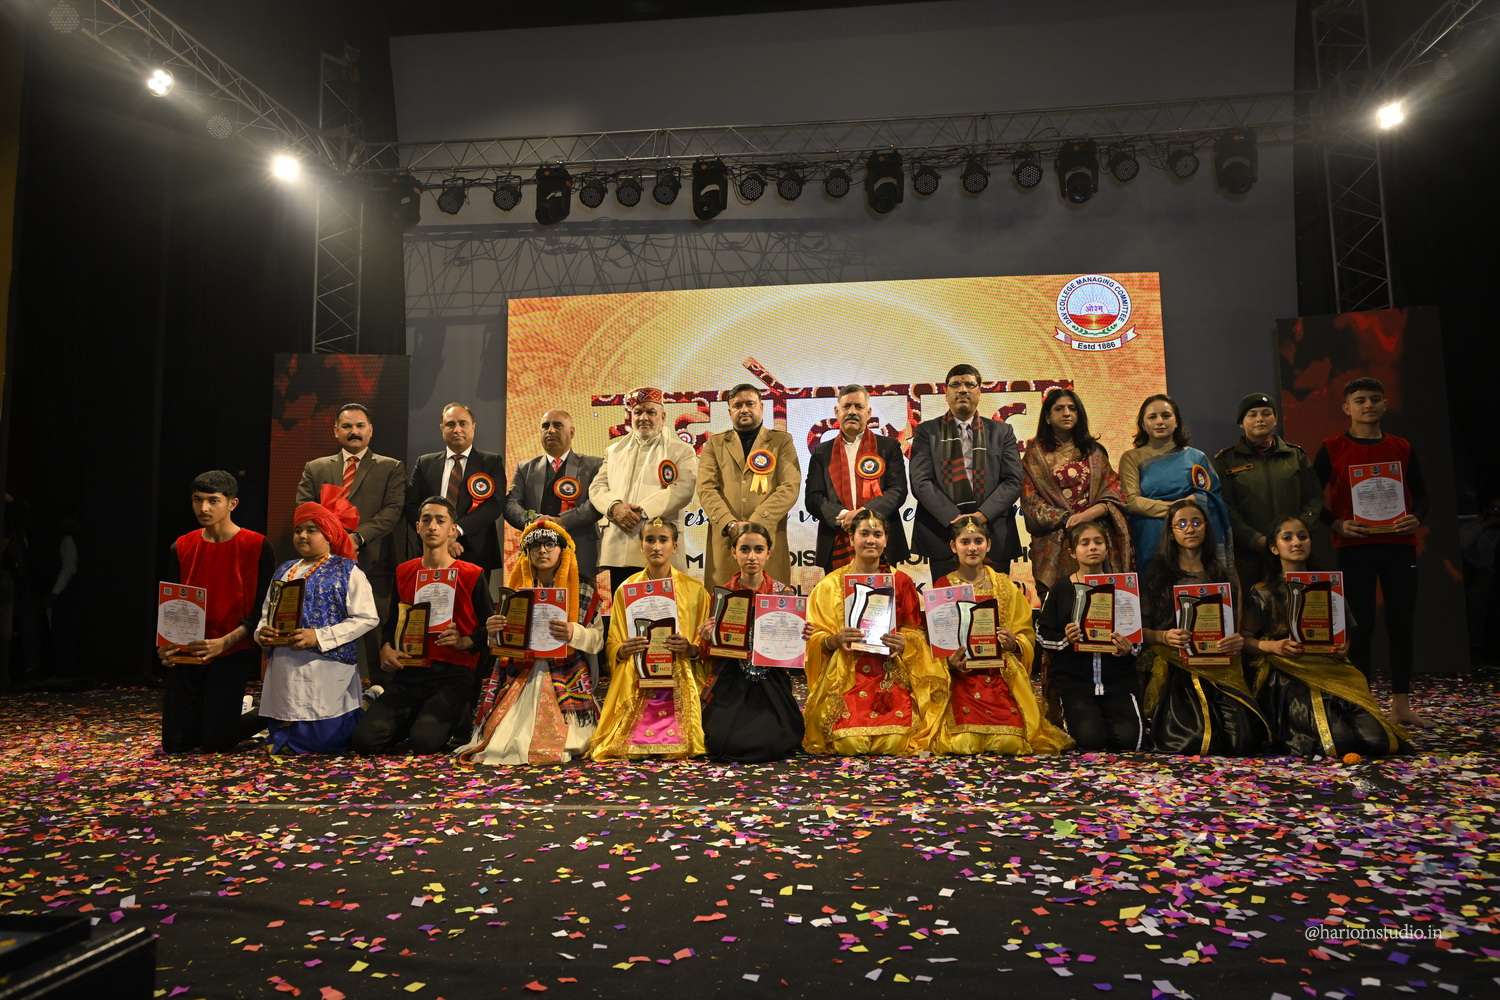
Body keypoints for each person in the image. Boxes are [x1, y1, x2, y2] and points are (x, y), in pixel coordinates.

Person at [1313, 376, 1429, 728]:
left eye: (1375, 399)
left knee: (1401, 621)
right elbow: (1309, 499)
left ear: (1385, 404)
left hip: (1399, 546)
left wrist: (1417, 517)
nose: (1368, 405)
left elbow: (1422, 494)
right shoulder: (1331, 447)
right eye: (1360, 400)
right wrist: (1336, 524)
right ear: (1346, 407)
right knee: (1361, 626)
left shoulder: (1401, 447)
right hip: (1354, 548)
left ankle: (1401, 704)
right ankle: (1365, 704)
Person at [1242, 516, 1408, 757]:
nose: (1296, 542)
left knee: (1379, 741)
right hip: (1289, 675)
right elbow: (1245, 640)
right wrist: (1273, 646)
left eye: (1303, 536)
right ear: (1274, 548)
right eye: (1287, 537)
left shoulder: (1329, 585)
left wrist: (1343, 646)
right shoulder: (1262, 592)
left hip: (1331, 668)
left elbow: (1343, 633)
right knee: (1338, 741)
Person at [352, 497, 493, 754]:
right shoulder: (404, 571)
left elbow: (490, 628)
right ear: (417, 527)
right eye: (426, 520)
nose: (432, 526)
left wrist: (465, 641)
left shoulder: (472, 574)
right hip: (410, 672)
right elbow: (392, 622)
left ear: (452, 529)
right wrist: (385, 648)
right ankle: (406, 716)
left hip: (453, 673)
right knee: (365, 741)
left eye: (440, 520)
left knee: (424, 743)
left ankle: (448, 717)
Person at [459, 518, 605, 765]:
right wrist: (494, 632)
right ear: (527, 552)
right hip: (522, 670)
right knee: (501, 742)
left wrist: (573, 632)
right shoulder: (515, 591)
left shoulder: (584, 590)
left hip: (566, 668)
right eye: (535, 546)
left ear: (563, 550)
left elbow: (597, 640)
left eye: (549, 544)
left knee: (574, 740)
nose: (542, 551)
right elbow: (500, 646)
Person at [801, 509, 946, 755]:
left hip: (889, 669)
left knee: (894, 741)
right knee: (848, 743)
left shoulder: (901, 582)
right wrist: (834, 639)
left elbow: (916, 632)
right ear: (851, 539)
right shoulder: (830, 585)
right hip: (846, 672)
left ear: (886, 540)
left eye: (877, 534)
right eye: (864, 534)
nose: (871, 540)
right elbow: (814, 636)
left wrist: (903, 642)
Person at [1138, 498, 1270, 755]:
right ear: (1171, 533)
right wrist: (1163, 636)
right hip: (1177, 664)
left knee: (1241, 742)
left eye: (1196, 522)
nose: (1190, 529)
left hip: (1220, 663)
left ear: (1207, 528)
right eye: (1182, 524)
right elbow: (1139, 632)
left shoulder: (1222, 573)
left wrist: (1236, 640)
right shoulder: (1157, 573)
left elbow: (1237, 631)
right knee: (1195, 740)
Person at [930, 515, 1071, 755]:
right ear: (953, 546)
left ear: (988, 545)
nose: (972, 548)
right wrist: (949, 663)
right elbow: (935, 642)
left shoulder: (1004, 585)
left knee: (1010, 742)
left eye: (978, 541)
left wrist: (1014, 643)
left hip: (999, 671)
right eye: (965, 542)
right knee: (962, 742)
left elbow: (1025, 633)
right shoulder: (943, 587)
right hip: (959, 675)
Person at [160, 471, 276, 754]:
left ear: (232, 503)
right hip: (191, 650)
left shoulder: (256, 545)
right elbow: (171, 606)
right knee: (176, 744)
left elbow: (262, 608)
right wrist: (167, 645)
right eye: (197, 500)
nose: (204, 508)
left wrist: (224, 642)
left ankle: (268, 713)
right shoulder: (182, 546)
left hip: (232, 649)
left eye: (213, 501)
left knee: (216, 743)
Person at [256, 501, 379, 754]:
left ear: (329, 534)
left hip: (327, 664)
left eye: (311, 530)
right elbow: (267, 613)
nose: (302, 535)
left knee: (326, 741)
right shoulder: (284, 570)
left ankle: (368, 701)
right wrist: (262, 633)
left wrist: (319, 637)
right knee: (284, 729)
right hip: (285, 663)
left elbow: (367, 618)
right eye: (298, 530)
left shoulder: (347, 570)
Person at [296, 404, 406, 678]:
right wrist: (328, 537)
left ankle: (375, 688)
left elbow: (393, 510)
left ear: (370, 430)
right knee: (326, 622)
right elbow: (304, 508)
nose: (353, 431)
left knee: (372, 626)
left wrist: (357, 538)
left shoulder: (391, 467)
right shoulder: (315, 468)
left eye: (359, 426)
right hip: (323, 562)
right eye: (346, 426)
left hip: (372, 560)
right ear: (336, 431)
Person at [591, 516, 711, 760]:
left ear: (675, 546)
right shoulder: (626, 589)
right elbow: (613, 640)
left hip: (679, 668)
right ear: (641, 545)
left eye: (663, 540)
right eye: (650, 540)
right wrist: (623, 649)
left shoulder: (695, 590)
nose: (656, 547)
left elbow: (705, 643)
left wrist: (690, 648)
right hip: (638, 668)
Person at [698, 522, 810, 762]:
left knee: (780, 740)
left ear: (769, 553)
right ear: (733, 552)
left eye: (759, 550)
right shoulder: (722, 595)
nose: (751, 557)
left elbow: (792, 657)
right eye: (744, 549)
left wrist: (802, 636)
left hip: (771, 679)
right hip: (730, 679)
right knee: (721, 740)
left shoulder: (784, 594)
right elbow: (708, 654)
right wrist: (707, 637)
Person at [1036, 522, 1144, 752]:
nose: (1092, 547)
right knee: (1090, 741)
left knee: (1130, 741)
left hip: (1117, 681)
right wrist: (1066, 638)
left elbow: (1137, 636)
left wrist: (1129, 647)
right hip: (1076, 683)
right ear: (1072, 552)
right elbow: (1042, 634)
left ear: (1107, 548)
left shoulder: (1123, 588)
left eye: (1098, 542)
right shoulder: (1061, 589)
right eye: (1084, 543)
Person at [910, 364, 1025, 581]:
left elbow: (1013, 480)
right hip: (943, 534)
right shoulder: (927, 432)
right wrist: (955, 519)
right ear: (946, 393)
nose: (962, 390)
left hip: (993, 532)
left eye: (969, 385)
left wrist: (982, 516)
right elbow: (920, 481)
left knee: (997, 598)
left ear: (979, 392)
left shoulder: (1001, 432)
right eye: (955, 385)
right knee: (948, 600)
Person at [1019, 388, 1132, 597]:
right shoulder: (1034, 456)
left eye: (1072, 408)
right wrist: (1069, 519)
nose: (1067, 413)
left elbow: (1115, 490)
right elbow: (1030, 501)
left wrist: (1088, 515)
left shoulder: (1094, 451)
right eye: (1059, 409)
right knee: (1063, 604)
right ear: (1047, 417)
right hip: (1056, 540)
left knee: (1101, 601)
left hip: (1095, 536)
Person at [589, 387, 698, 595]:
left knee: (662, 610)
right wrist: (614, 507)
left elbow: (683, 489)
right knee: (624, 609)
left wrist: (643, 511)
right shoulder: (614, 451)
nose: (643, 418)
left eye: (650, 412)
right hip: (618, 548)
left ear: (663, 416)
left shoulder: (681, 450)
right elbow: (597, 487)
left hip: (659, 547)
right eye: (638, 412)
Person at [1212, 392, 1323, 592]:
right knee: (1255, 607)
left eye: (1266, 413)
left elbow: (1314, 498)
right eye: (1252, 414)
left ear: (1275, 419)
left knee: (1301, 605)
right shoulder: (1226, 461)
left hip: (1293, 553)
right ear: (1241, 422)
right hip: (1249, 554)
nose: (1260, 419)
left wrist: (1298, 532)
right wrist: (1255, 540)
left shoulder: (1295, 455)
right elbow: (1225, 508)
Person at [697, 385, 803, 589]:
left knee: (770, 604)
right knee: (726, 603)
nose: (744, 409)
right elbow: (706, 489)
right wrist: (730, 525)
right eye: (738, 405)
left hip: (768, 539)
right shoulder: (714, 444)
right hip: (727, 540)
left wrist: (754, 525)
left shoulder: (781, 441)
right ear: (730, 411)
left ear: (761, 407)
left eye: (750, 404)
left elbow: (790, 486)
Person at [1119, 394, 1233, 577]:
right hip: (1151, 538)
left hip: (1192, 536)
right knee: (1157, 587)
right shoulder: (1131, 458)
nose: (1160, 421)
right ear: (1143, 424)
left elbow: (1213, 497)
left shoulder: (1196, 457)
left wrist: (1196, 501)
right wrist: (1176, 510)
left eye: (1166, 415)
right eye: (1152, 417)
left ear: (1177, 421)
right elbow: (1131, 502)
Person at [805, 384, 910, 572]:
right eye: (846, 406)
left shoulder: (889, 446)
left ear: (868, 413)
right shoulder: (821, 452)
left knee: (882, 591)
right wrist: (844, 516)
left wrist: (863, 515)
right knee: (837, 591)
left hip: (881, 539)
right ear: (837, 412)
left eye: (859, 407)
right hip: (836, 539)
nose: (852, 412)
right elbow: (813, 498)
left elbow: (898, 491)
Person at [504, 410, 604, 584]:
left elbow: (595, 504)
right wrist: (534, 520)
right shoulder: (525, 468)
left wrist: (562, 521)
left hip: (581, 553)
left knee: (580, 600)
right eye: (545, 426)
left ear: (571, 432)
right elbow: (511, 504)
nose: (550, 430)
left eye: (557, 425)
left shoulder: (594, 465)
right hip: (536, 554)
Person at [405, 402, 507, 572]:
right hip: (431, 551)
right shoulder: (425, 463)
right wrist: (439, 535)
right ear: (442, 428)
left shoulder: (491, 462)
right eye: (450, 424)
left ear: (473, 427)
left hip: (475, 552)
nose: (457, 429)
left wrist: (455, 531)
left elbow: (495, 505)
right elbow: (411, 505)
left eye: (463, 423)